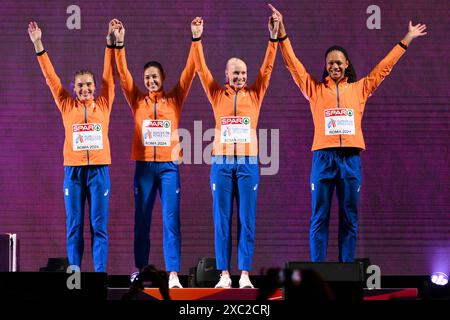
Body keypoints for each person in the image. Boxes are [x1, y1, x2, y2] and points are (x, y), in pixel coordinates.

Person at [269, 5, 427, 262]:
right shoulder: (315, 90)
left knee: (349, 218)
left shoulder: (360, 89)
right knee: (319, 217)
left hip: (350, 160)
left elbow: (383, 68)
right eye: (330, 63)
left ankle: (347, 273)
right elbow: (293, 65)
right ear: (326, 66)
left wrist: (406, 39)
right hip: (323, 158)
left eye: (338, 62)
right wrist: (282, 31)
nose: (334, 66)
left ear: (346, 64)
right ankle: (317, 273)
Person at [190, 12, 279, 288]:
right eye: (235, 73)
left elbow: (267, 68)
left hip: (249, 164)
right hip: (222, 163)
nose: (240, 77)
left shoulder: (255, 93)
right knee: (222, 220)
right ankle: (224, 275)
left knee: (247, 220)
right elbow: (201, 70)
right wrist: (197, 39)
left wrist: (273, 38)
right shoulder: (217, 94)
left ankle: (244, 275)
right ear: (226, 75)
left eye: (243, 73)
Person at [112, 19, 197, 288]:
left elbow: (190, 72)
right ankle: (140, 269)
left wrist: (196, 40)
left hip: (170, 167)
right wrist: (120, 44)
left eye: (154, 76)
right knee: (142, 219)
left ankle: (172, 273)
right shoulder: (137, 99)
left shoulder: (175, 99)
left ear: (163, 78)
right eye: (147, 77)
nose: (150, 80)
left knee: (172, 220)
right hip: (145, 168)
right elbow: (123, 74)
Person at [28, 20, 117, 272]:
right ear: (74, 89)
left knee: (99, 226)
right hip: (73, 173)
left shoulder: (104, 103)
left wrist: (110, 43)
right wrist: (38, 45)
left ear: (95, 87)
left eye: (89, 84)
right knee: (74, 226)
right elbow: (51, 79)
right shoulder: (66, 104)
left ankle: (99, 276)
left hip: (99, 172)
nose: (86, 88)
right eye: (80, 85)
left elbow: (110, 75)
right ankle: (75, 278)